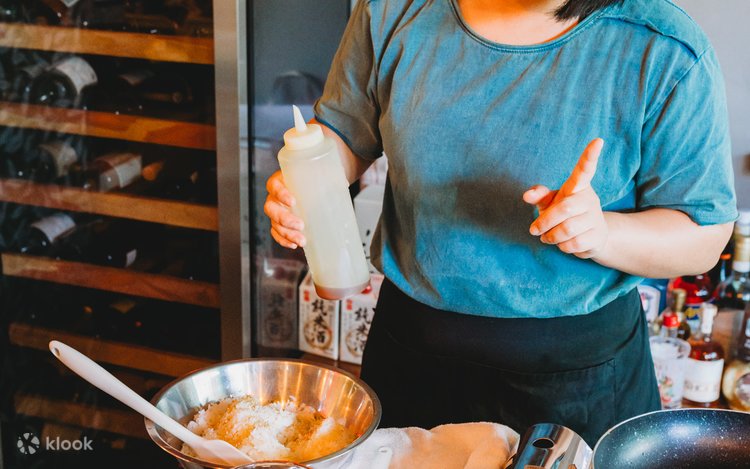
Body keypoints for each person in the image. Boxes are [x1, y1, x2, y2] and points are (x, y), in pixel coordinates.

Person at [264, 0, 737, 445]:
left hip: (576, 379)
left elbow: (703, 236)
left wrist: (603, 234)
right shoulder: (394, 11)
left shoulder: (663, 47)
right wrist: (305, 182)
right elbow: (346, 133)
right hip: (409, 353)